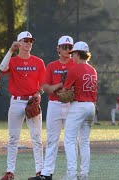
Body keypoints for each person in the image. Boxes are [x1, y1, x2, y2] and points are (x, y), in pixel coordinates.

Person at [28, 35, 80, 180]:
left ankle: (72, 173)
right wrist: (61, 85)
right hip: (54, 105)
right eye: (64, 47)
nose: (67, 50)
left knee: (72, 140)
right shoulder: (51, 66)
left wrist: (63, 88)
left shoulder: (76, 65)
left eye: (70, 47)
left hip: (71, 105)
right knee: (52, 140)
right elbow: (45, 87)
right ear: (58, 48)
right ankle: (46, 173)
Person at [0, 31, 46, 180]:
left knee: (37, 138)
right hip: (17, 101)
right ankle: (10, 172)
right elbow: (2, 67)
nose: (28, 43)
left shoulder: (38, 62)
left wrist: (39, 93)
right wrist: (10, 50)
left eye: (30, 40)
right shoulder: (12, 61)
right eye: (25, 40)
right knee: (13, 138)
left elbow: (43, 85)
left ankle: (40, 171)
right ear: (19, 43)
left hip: (32, 101)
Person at [59, 41, 98, 180]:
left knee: (69, 140)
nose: (72, 56)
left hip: (79, 106)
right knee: (84, 141)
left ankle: (71, 174)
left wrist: (62, 88)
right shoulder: (93, 70)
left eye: (73, 53)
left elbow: (64, 91)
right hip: (91, 106)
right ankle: (84, 174)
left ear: (77, 53)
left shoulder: (74, 69)